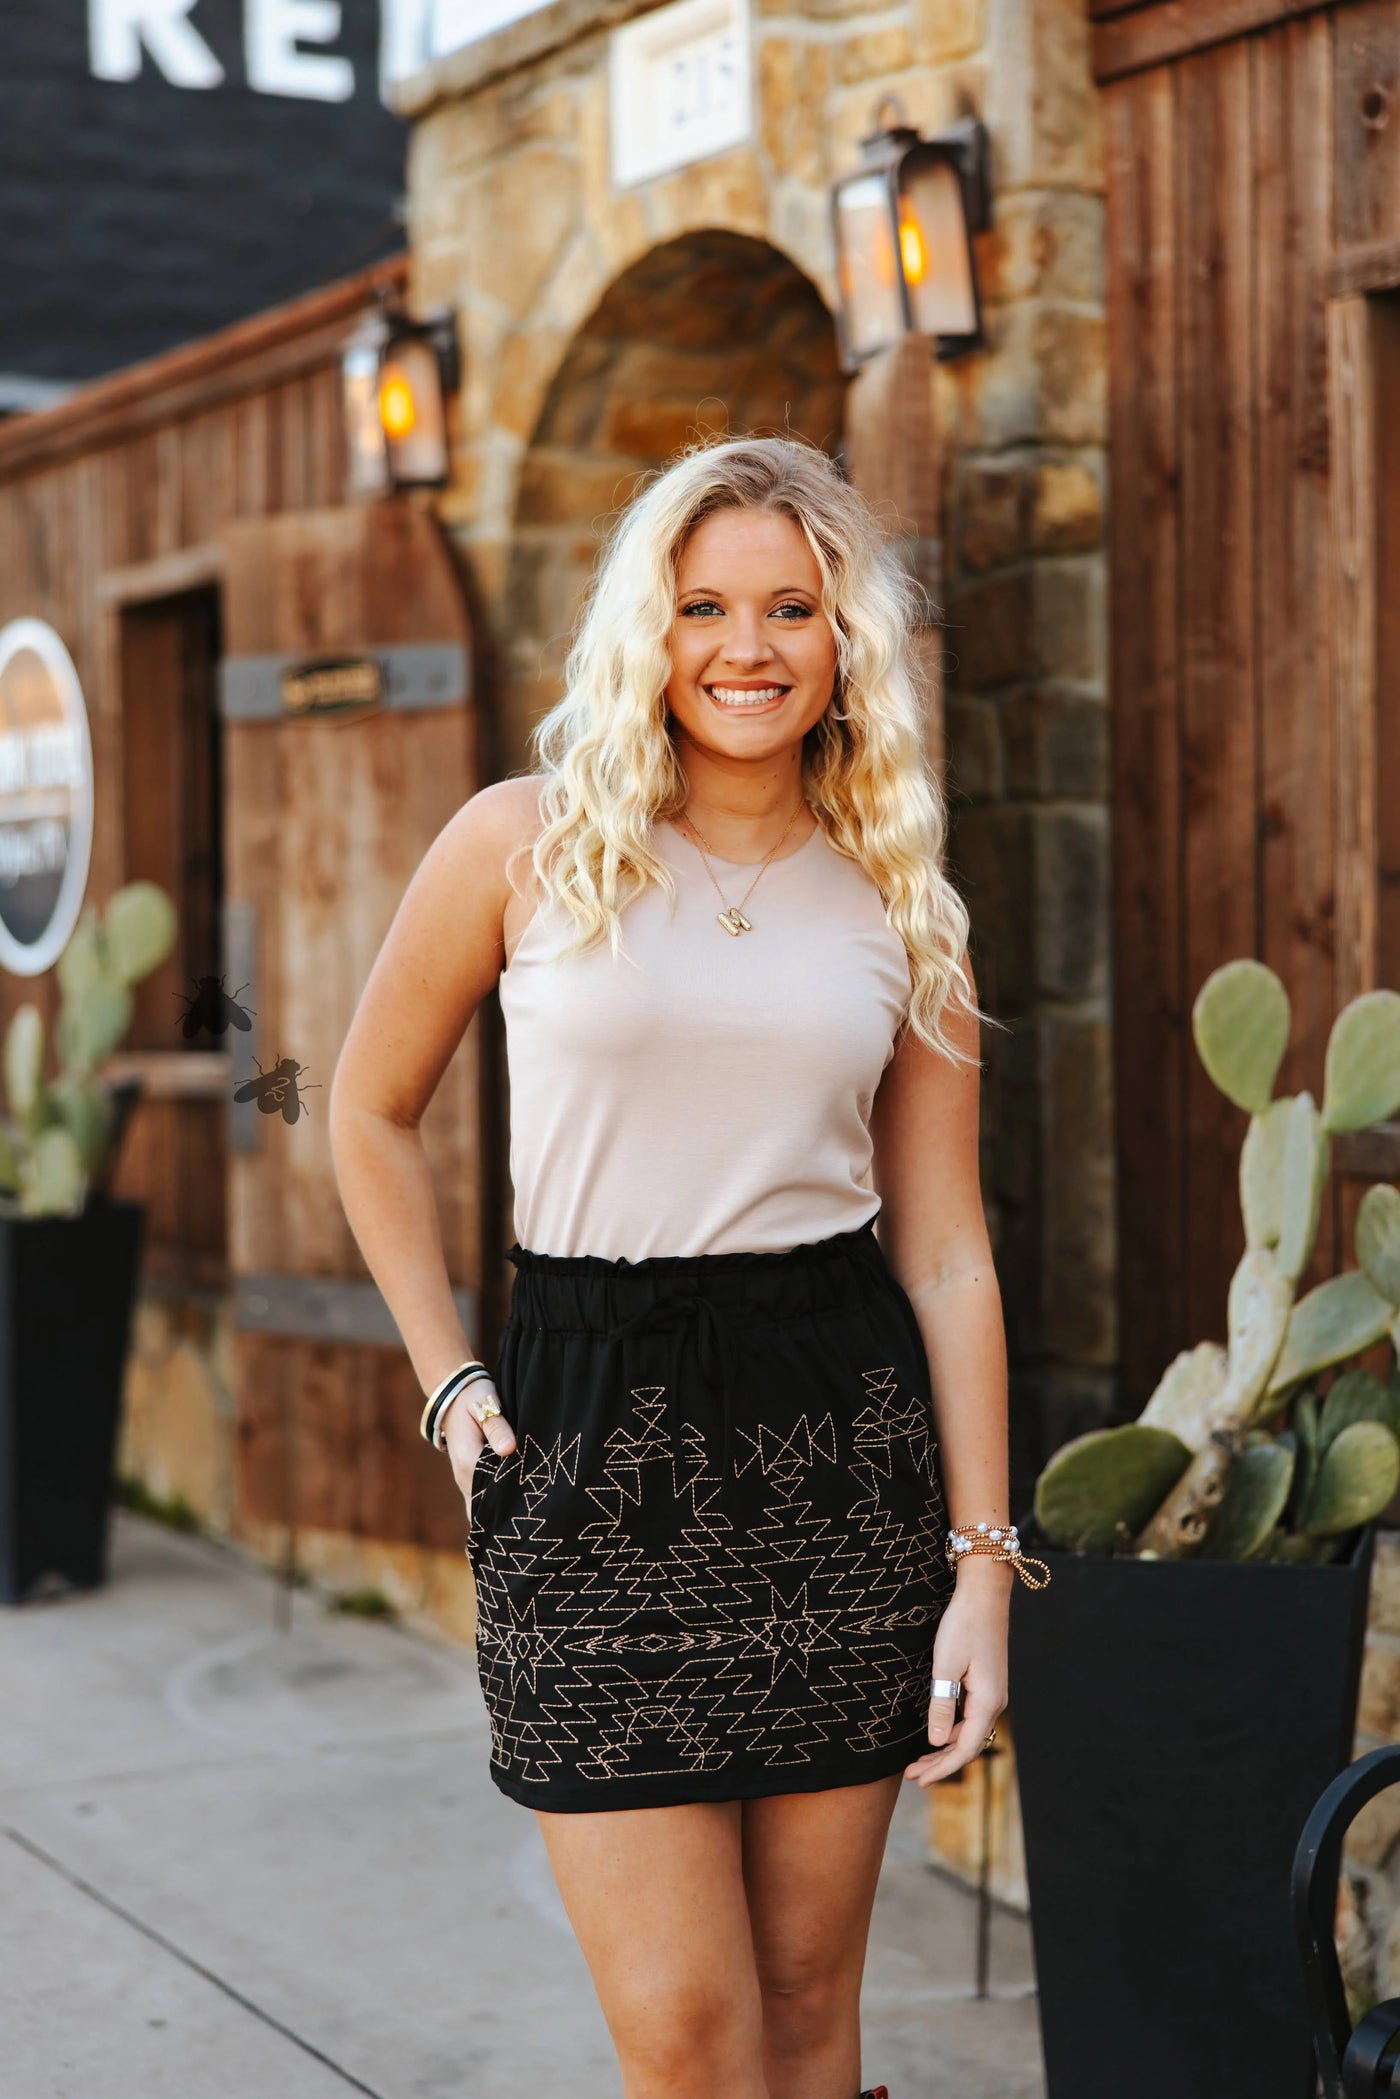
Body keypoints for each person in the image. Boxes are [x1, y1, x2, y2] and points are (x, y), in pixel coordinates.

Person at [329, 435, 1042, 2099]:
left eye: (791, 608)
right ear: (644, 630)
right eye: (705, 605)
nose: (747, 647)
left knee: (805, 2010)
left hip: (837, 1447)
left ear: (846, 638)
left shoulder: (901, 896)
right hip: (586, 1441)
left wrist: (981, 1569)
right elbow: (361, 1109)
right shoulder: (520, 843)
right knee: (685, 2036)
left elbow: (947, 1252)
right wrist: (447, 1378)